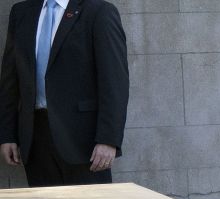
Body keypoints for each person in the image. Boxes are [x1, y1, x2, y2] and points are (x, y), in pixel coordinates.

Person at [0, 0, 128, 186]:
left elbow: (115, 82)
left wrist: (109, 140)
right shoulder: (21, 12)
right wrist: (8, 135)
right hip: (34, 140)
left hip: (84, 143)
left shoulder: (99, 12)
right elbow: (9, 81)